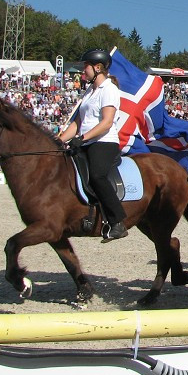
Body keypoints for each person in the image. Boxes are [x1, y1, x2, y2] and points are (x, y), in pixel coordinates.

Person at [58, 48, 128, 242]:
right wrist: (60, 140)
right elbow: (78, 123)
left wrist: (83, 137)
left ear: (97, 68)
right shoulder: (90, 91)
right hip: (86, 141)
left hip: (103, 142)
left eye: (85, 67)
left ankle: (117, 222)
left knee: (97, 177)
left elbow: (106, 122)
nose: (83, 72)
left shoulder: (110, 90)